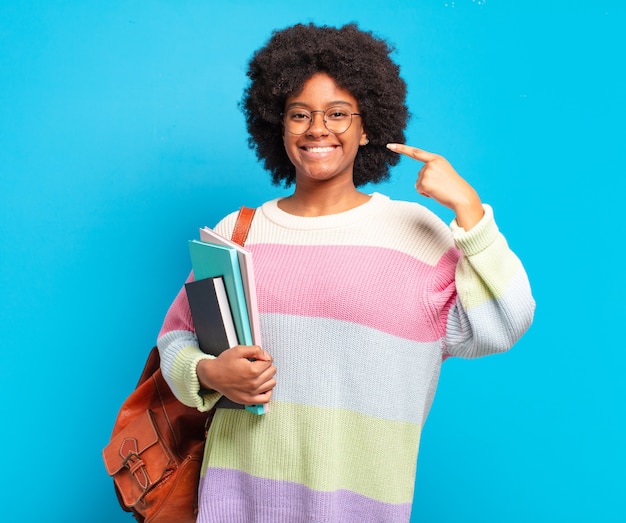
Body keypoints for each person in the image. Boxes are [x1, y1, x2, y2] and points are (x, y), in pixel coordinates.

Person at [157, 22, 535, 523]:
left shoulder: (415, 234)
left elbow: (506, 320)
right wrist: (208, 372)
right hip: (236, 503)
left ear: (367, 127)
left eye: (338, 114)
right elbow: (176, 339)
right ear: (278, 124)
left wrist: (468, 210)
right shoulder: (238, 231)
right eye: (299, 114)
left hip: (360, 509)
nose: (318, 129)